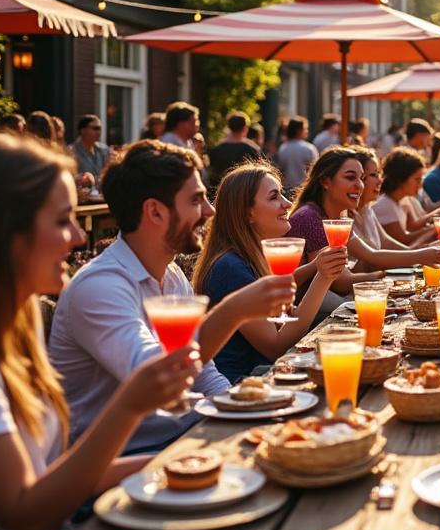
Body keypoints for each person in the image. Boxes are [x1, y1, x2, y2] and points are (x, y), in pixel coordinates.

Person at [0, 136, 201, 530]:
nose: (79, 236)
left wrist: (179, 462)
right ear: (6, 231)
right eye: (64, 220)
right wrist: (129, 404)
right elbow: (26, 517)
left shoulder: (10, 329)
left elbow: (55, 477)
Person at [48, 141, 294, 453]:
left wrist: (240, 411)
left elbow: (204, 373)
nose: (210, 211)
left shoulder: (172, 273)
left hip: (185, 434)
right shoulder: (99, 286)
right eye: (196, 200)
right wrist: (234, 311)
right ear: (154, 211)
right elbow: (158, 376)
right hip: (127, 460)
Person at [194, 164, 347, 383]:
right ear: (248, 213)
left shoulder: (255, 258)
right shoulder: (230, 267)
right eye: (274, 197)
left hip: (265, 377)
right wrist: (323, 278)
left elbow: (288, 318)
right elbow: (276, 346)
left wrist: (322, 272)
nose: (287, 203)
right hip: (240, 389)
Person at [301, 147, 440, 272]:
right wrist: (422, 252)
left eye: (361, 178)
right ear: (326, 181)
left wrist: (424, 252)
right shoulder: (314, 216)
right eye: (372, 175)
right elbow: (369, 260)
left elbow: (385, 244)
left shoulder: (361, 211)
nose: (380, 180)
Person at [372, 148, 439, 245]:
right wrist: (434, 229)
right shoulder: (385, 204)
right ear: (401, 179)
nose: (420, 185)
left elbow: (413, 226)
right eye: (417, 180)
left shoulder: (404, 199)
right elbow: (404, 239)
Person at [209, 112, 263, 185]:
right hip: (243, 190)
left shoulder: (217, 149)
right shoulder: (252, 149)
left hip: (221, 189)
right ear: (245, 128)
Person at [277, 117, 318, 192]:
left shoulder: (282, 148)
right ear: (299, 131)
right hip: (304, 189)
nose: (307, 131)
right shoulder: (309, 148)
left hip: (286, 189)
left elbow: (280, 170)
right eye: (305, 129)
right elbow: (315, 171)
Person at [70, 115, 111, 184]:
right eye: (95, 128)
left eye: (100, 129)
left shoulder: (104, 149)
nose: (98, 132)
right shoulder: (71, 151)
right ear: (83, 130)